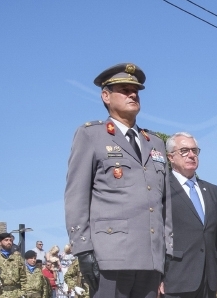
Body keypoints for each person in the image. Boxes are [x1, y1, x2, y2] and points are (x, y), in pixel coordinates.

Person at [65, 63, 173, 298]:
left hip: (151, 256)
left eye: (136, 91)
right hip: (110, 257)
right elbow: (76, 196)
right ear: (106, 96)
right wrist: (82, 249)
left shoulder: (155, 143)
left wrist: (168, 250)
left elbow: (165, 202)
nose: (133, 94)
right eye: (124, 90)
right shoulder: (91, 135)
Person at [163, 132, 217, 298]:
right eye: (184, 151)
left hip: (209, 280)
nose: (191, 155)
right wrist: (157, 276)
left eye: (195, 151)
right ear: (171, 157)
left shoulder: (212, 191)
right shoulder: (162, 187)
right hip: (175, 278)